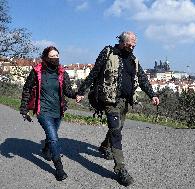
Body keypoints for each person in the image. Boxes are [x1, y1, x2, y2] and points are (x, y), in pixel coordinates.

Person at [76, 31, 160, 186]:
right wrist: (81, 91)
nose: (133, 46)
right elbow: (94, 73)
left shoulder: (133, 59)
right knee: (116, 132)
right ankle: (120, 169)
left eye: (135, 44)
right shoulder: (108, 53)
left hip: (125, 102)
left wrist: (152, 95)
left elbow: (142, 78)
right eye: (130, 43)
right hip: (110, 101)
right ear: (122, 41)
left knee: (118, 128)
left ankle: (104, 146)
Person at [19, 46, 77, 181]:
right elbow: (27, 89)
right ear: (46, 58)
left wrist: (76, 95)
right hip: (43, 110)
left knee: (52, 136)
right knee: (54, 138)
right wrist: (24, 108)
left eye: (57, 56)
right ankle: (59, 169)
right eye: (52, 56)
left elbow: (67, 91)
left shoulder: (62, 73)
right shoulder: (37, 71)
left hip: (58, 110)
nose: (56, 58)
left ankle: (46, 149)